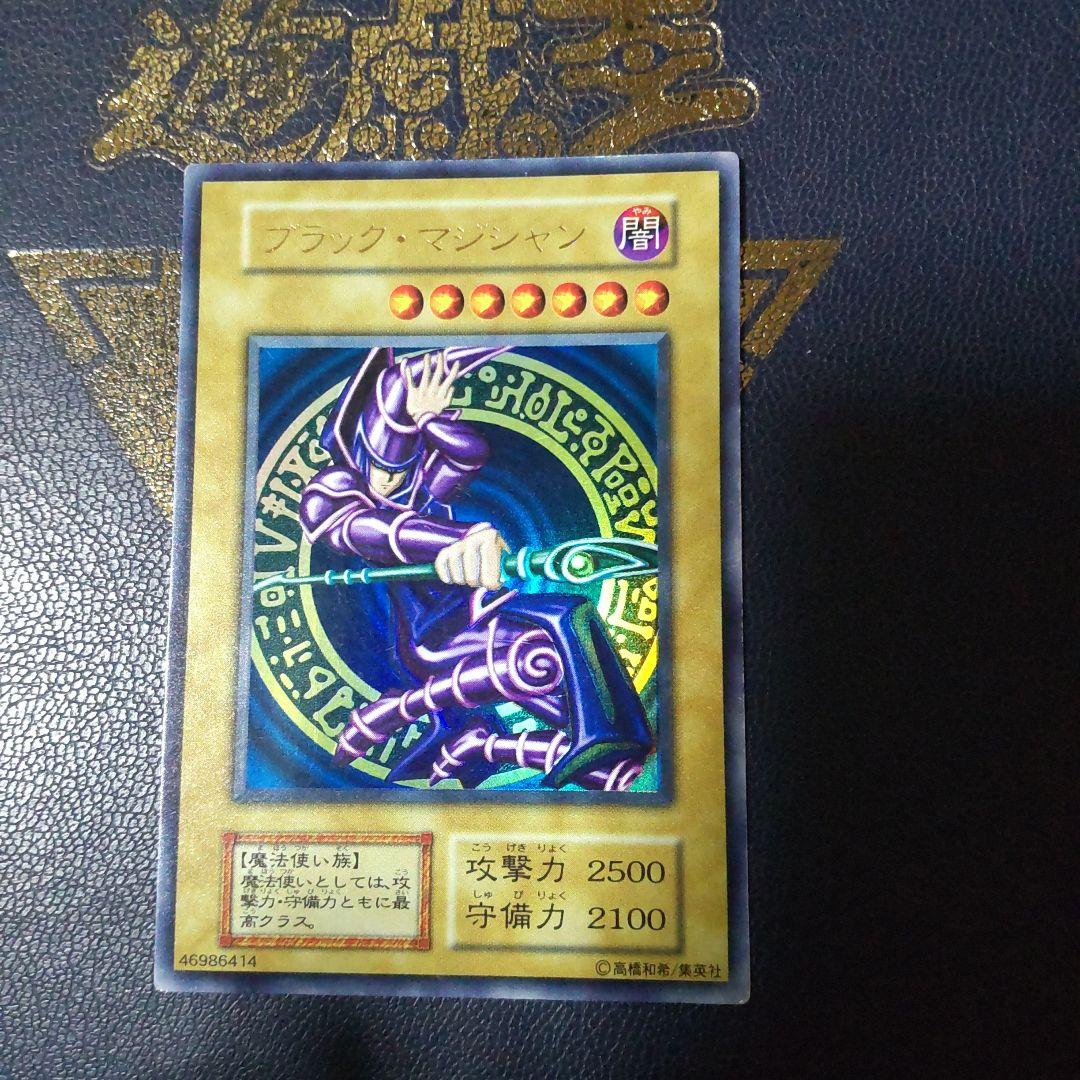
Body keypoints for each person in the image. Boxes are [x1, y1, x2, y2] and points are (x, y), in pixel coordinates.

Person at [299, 345, 652, 790]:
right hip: (431, 637)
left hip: (475, 612)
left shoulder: (420, 486)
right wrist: (455, 540)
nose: (389, 480)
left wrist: (430, 420)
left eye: (401, 468)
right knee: (537, 657)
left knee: (566, 624)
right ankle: (421, 714)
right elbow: (369, 531)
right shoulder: (335, 493)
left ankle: (509, 744)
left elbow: (468, 454)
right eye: (380, 466)